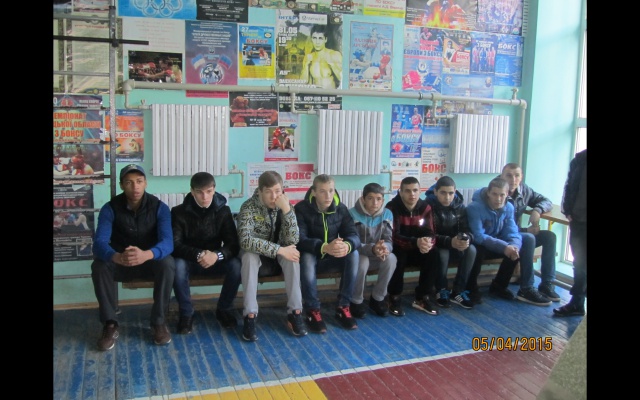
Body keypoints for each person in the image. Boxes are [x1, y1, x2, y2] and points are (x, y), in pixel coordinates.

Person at [91, 164, 176, 351]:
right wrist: (115, 256)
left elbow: (168, 242)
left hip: (149, 262)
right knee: (99, 266)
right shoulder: (110, 208)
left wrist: (147, 254)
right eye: (129, 182)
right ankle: (110, 324)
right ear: (122, 185)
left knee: (167, 263)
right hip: (121, 261)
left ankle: (159, 322)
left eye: (139, 181)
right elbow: (99, 243)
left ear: (145, 183)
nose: (135, 187)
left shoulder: (160, 207)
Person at [237, 171, 307, 341]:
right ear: (260, 191)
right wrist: (280, 250)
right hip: (257, 256)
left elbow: (292, 240)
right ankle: (250, 315)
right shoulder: (248, 207)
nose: (274, 196)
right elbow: (246, 241)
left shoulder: (286, 206)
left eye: (277, 191)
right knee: (248, 257)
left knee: (292, 256)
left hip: (278, 257)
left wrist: (287, 211)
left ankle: (295, 312)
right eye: (268, 191)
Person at [170, 172, 242, 334]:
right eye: (200, 192)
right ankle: (186, 313)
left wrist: (216, 255)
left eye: (209, 191)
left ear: (214, 190)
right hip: (189, 260)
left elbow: (233, 244)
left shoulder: (223, 211)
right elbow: (175, 245)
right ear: (192, 191)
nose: (205, 197)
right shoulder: (178, 212)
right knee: (177, 265)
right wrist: (199, 254)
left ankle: (224, 309)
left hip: (215, 259)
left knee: (236, 265)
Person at [465, 177, 551, 306]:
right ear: (488, 193)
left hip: (499, 244)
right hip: (482, 244)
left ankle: (518, 287)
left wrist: (514, 247)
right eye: (495, 194)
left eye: (502, 195)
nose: (498, 199)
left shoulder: (508, 207)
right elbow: (478, 236)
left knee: (526, 239)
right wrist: (505, 247)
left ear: (507, 195)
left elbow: (512, 232)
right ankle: (471, 287)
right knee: (477, 248)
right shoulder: (474, 207)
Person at [294, 174, 361, 332]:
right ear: (314, 192)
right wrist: (323, 247)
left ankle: (343, 306)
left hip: (331, 257)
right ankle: (313, 310)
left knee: (353, 254)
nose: (328, 196)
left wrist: (346, 245)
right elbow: (299, 239)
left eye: (331, 190)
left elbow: (354, 235)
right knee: (307, 257)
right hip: (312, 256)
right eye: (322, 191)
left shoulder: (341, 208)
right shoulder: (301, 209)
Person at [500, 163, 560, 302]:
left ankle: (547, 284)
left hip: (518, 234)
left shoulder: (524, 190)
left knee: (549, 236)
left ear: (521, 177)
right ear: (502, 176)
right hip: (502, 237)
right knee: (528, 238)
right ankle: (526, 288)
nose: (513, 180)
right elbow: (500, 227)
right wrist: (526, 230)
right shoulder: (496, 191)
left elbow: (546, 201)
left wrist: (537, 210)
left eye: (517, 176)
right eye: (508, 175)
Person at [385, 176, 440, 317]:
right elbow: (393, 236)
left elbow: (431, 233)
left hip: (418, 249)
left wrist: (427, 243)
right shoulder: (392, 208)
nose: (412, 194)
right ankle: (394, 297)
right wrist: (416, 242)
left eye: (415, 190)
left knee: (433, 253)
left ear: (420, 191)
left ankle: (422, 297)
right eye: (408, 191)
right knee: (398, 256)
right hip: (399, 247)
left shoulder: (425, 207)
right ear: (400, 192)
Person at [424, 176, 476, 309]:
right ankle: (441, 289)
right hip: (437, 245)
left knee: (471, 250)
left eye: (451, 193)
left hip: (455, 244)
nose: (447, 197)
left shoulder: (460, 206)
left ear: (455, 192)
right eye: (443, 193)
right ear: (435, 192)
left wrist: (466, 239)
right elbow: (428, 234)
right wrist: (449, 241)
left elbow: (467, 229)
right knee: (443, 253)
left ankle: (458, 290)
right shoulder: (427, 206)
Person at [348, 183, 397, 318]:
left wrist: (385, 248)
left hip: (377, 254)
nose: (375, 203)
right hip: (360, 254)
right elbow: (353, 242)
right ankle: (356, 300)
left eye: (378, 199)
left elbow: (389, 239)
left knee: (391, 258)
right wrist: (372, 249)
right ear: (363, 199)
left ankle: (378, 298)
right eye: (370, 198)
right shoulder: (352, 214)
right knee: (362, 261)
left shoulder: (387, 214)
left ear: (383, 200)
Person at [554, 149, 586, 317]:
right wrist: (567, 210)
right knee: (579, 264)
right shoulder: (580, 158)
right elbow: (569, 185)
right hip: (579, 220)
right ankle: (577, 303)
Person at [300, 24, 343, 89]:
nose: (317, 42)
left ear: (325, 40)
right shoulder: (309, 57)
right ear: (311, 39)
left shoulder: (334, 54)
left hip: (331, 93)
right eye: (314, 38)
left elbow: (342, 79)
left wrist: (332, 64)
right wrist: (306, 65)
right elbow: (303, 82)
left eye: (320, 38)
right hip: (315, 94)